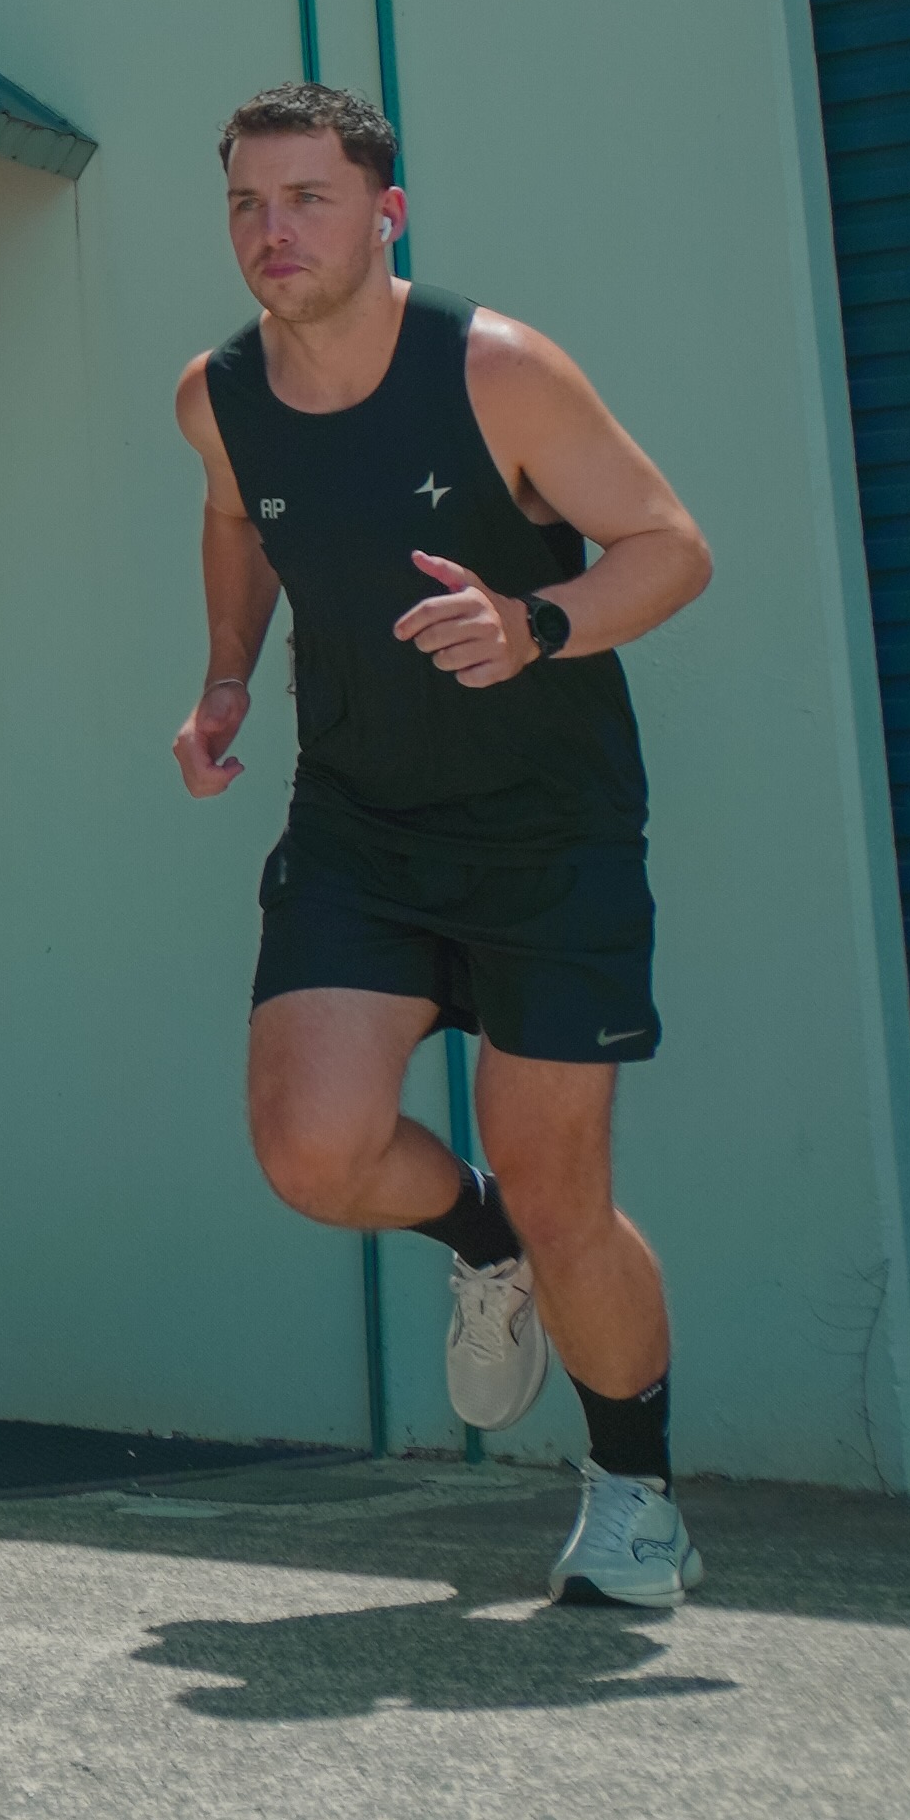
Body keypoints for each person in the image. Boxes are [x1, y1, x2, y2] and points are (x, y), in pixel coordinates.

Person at [172, 83, 714, 1608]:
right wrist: (224, 678)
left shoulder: (498, 371)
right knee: (312, 1149)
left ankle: (637, 1497)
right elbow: (236, 520)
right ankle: (475, 1238)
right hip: (359, 825)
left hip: (550, 836)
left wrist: (535, 622)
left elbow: (673, 547)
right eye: (246, 206)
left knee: (568, 1194)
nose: (273, 234)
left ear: (383, 212)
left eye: (308, 200)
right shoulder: (217, 396)